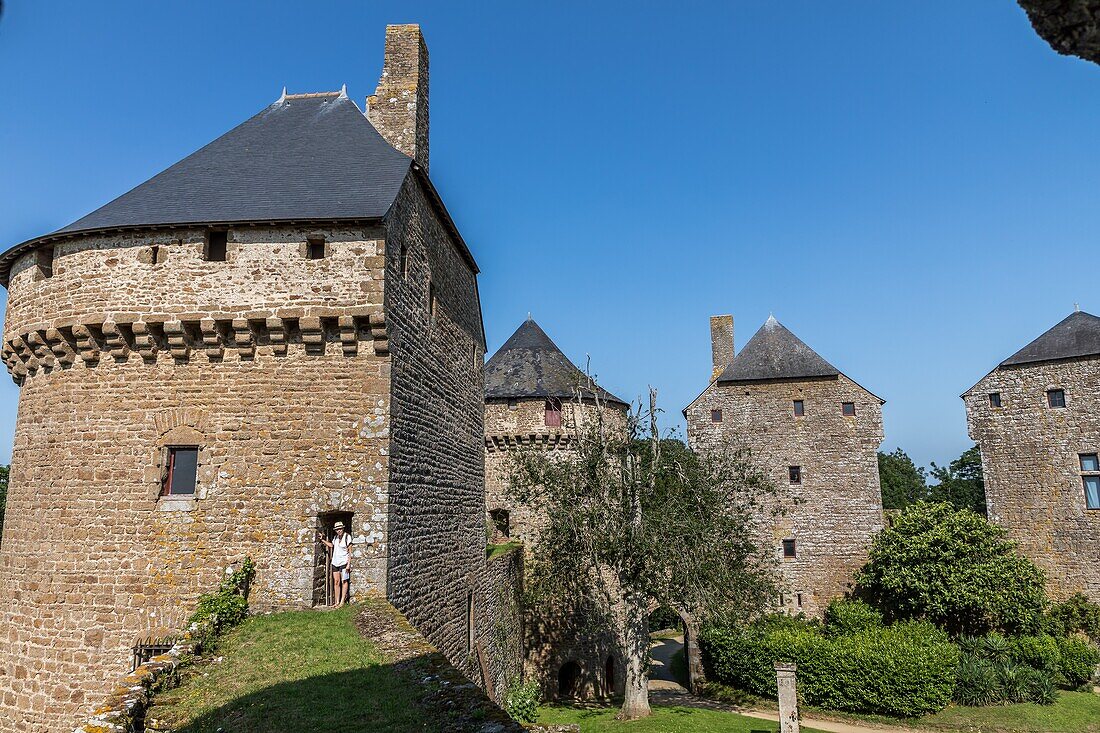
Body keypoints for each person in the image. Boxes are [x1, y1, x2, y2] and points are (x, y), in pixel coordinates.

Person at [318, 521, 351, 608]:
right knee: (336, 582)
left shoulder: (347, 537)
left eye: (340, 529)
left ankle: (342, 601)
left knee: (344, 581)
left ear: (343, 528)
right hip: (335, 562)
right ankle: (336, 601)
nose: (339, 531)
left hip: (344, 562)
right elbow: (332, 546)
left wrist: (348, 564)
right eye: (337, 529)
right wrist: (322, 540)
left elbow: (350, 552)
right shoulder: (336, 537)